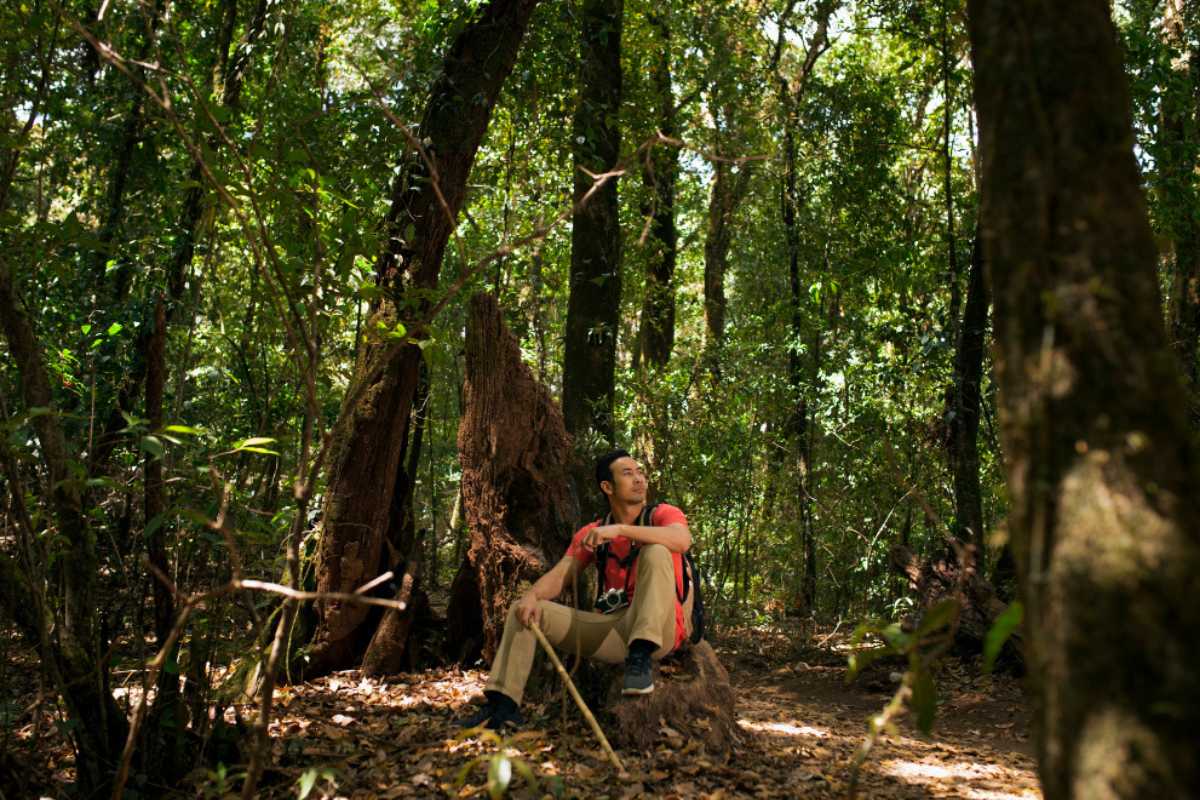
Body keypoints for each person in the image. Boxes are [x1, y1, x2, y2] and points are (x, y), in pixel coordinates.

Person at [459, 449, 693, 730]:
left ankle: (640, 656)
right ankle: (502, 705)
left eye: (640, 472)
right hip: (616, 629)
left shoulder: (662, 514)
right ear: (607, 487)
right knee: (526, 609)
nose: (639, 479)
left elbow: (681, 540)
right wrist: (532, 596)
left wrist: (620, 530)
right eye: (628, 473)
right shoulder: (593, 532)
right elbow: (559, 577)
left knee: (656, 552)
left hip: (661, 630)